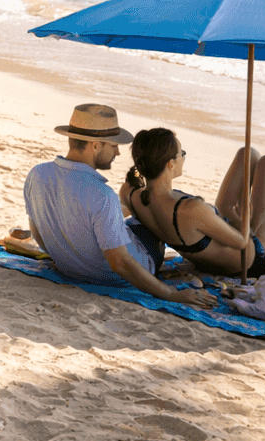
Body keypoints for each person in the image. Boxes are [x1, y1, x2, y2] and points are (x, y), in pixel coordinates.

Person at [24, 104, 216, 306]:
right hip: (121, 272)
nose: (117, 152)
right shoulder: (101, 194)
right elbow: (121, 263)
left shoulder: (37, 174)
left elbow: (38, 233)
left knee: (122, 215)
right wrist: (171, 295)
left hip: (69, 268)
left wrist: (68, 259)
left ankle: (130, 210)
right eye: (113, 145)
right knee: (153, 212)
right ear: (96, 145)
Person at [122, 128, 265, 278]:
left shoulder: (131, 193)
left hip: (207, 252)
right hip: (257, 259)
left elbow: (118, 215)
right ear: (170, 164)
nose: (184, 158)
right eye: (182, 154)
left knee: (248, 154)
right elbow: (243, 242)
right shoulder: (191, 209)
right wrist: (243, 216)